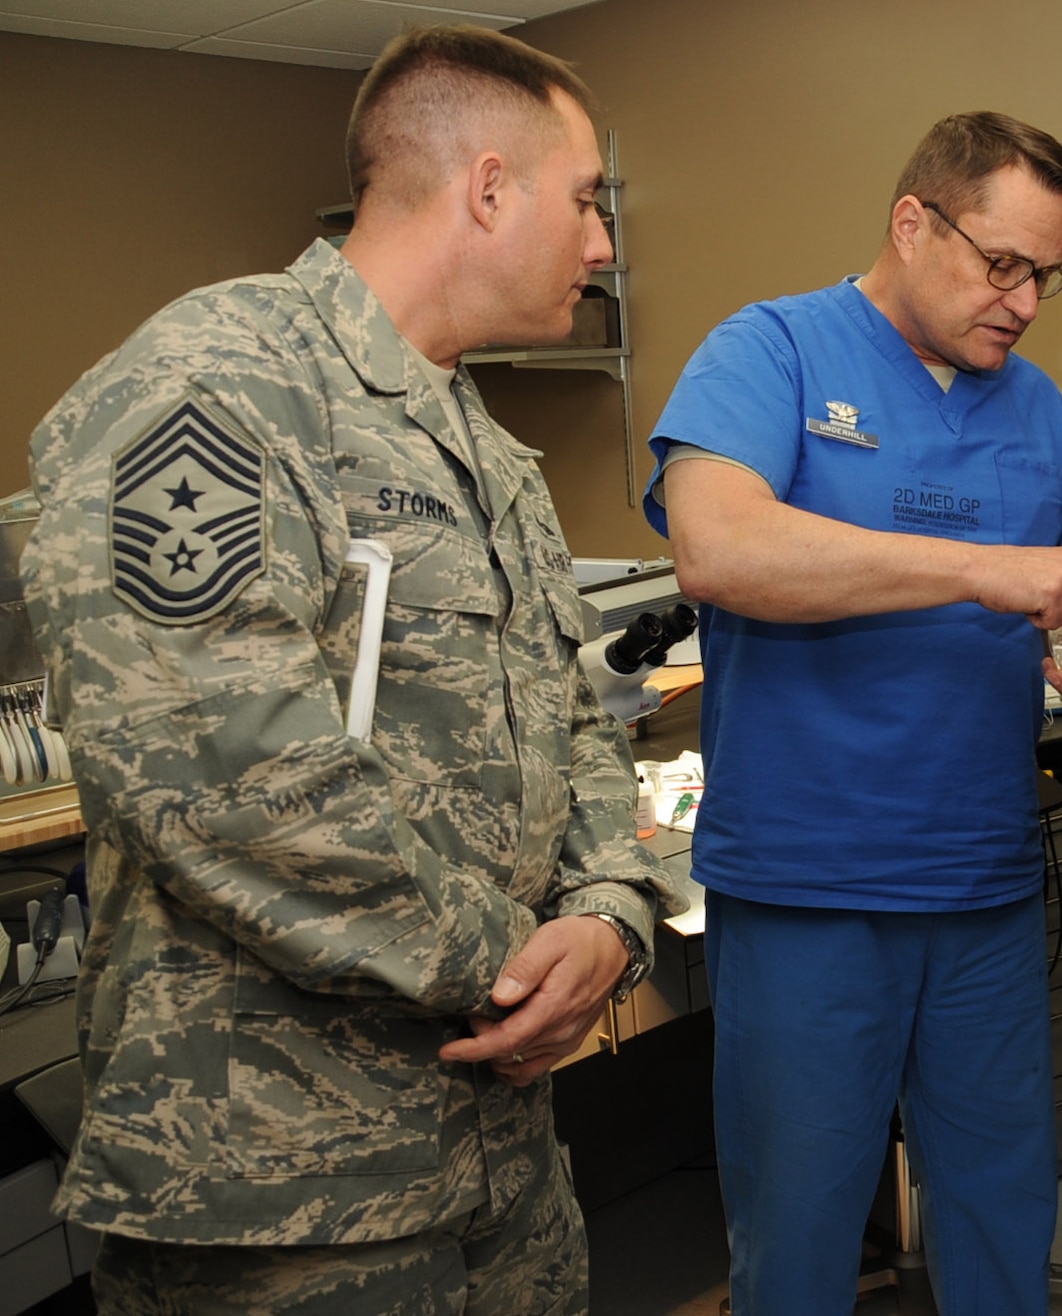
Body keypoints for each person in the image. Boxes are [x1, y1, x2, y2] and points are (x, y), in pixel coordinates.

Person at [23, 26, 671, 1315]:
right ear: (488, 187)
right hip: (285, 1183)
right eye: (589, 199)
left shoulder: (478, 443)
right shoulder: (218, 384)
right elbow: (221, 773)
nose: (603, 247)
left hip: (497, 1149)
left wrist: (608, 914)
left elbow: (577, 715)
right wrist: (515, 960)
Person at [645, 111, 1062, 1313]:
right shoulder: (769, 352)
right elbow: (717, 549)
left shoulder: (1032, 406)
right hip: (811, 891)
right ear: (911, 222)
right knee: (803, 1225)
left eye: (1048, 274)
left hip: (980, 888)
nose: (1025, 301)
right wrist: (976, 567)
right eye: (1002, 264)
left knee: (997, 1208)